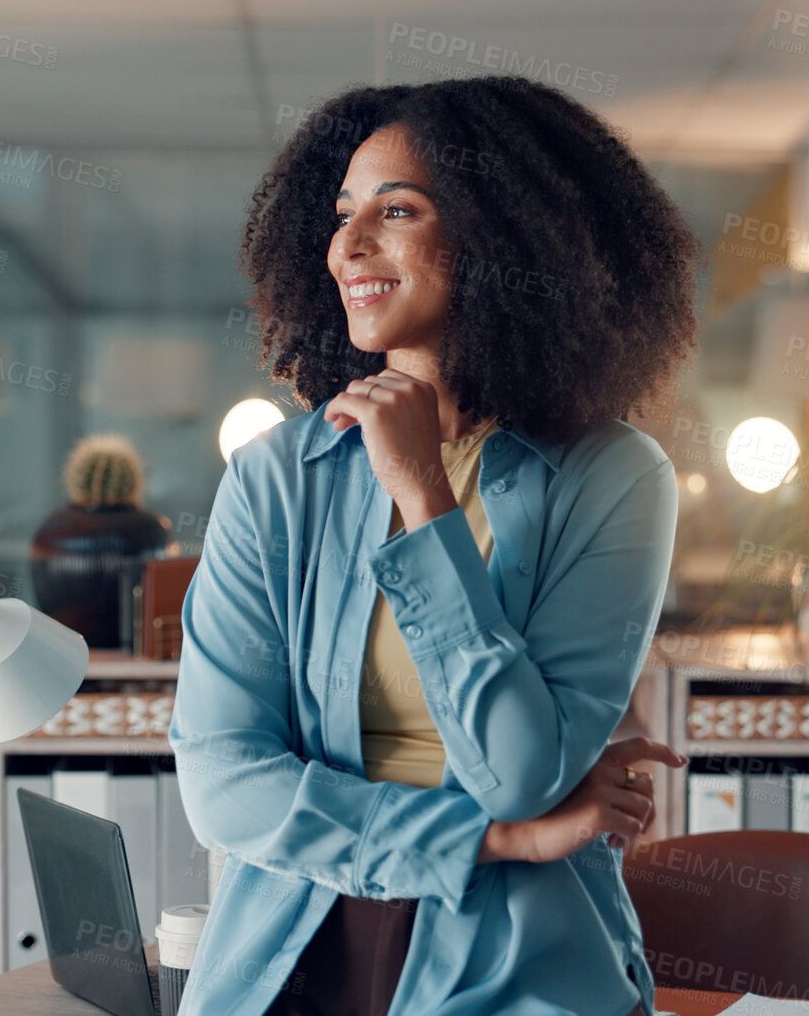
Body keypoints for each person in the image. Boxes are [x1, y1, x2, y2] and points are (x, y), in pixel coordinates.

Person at [169, 74, 700, 1016]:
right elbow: (221, 787)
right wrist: (491, 839)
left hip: (513, 962)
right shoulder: (275, 476)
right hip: (282, 954)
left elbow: (516, 772)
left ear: (504, 238)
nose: (349, 246)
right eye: (340, 215)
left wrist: (423, 496)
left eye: (397, 209)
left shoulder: (614, 476)